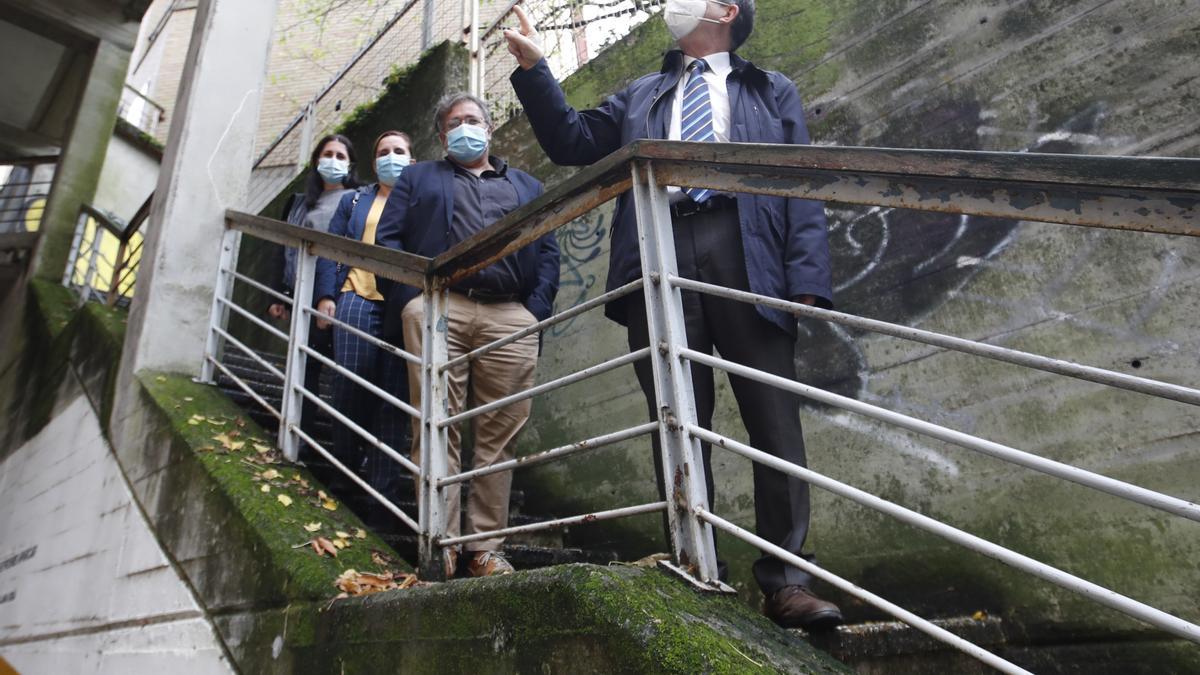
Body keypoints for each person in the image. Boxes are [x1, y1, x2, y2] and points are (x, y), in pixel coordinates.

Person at [504, 0, 840, 628]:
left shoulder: (771, 90)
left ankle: (787, 581)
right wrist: (536, 70)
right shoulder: (643, 92)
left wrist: (807, 279)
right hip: (658, 250)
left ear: (725, 10)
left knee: (775, 423)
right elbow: (572, 141)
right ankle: (695, 565)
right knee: (678, 417)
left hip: (749, 252)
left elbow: (803, 182)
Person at [375, 93, 560, 579]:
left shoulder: (525, 184)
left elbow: (547, 251)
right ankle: (441, 541)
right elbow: (388, 242)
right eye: (454, 123)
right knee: (438, 426)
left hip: (509, 315)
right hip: (440, 307)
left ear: (489, 128)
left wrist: (532, 313)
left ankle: (483, 549)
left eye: (473, 120)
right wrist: (411, 301)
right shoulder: (417, 178)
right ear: (441, 137)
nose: (464, 128)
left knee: (500, 435)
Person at [313, 130, 415, 509]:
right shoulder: (356, 200)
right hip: (355, 294)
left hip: (401, 303)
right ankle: (345, 469)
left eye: (399, 151)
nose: (391, 157)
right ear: (374, 163)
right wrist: (326, 296)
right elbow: (329, 249)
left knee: (394, 398)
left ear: (413, 159)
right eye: (384, 152)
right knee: (349, 382)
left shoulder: (421, 199)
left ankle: (381, 497)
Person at [267, 134, 359, 452]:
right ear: (316, 161)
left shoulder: (358, 199)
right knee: (303, 370)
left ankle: (342, 451)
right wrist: (277, 295)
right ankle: (298, 439)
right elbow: (282, 249)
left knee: (343, 374)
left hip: (341, 296)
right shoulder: (296, 203)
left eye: (340, 155)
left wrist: (330, 294)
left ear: (350, 164)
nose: (333, 160)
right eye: (327, 154)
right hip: (299, 295)